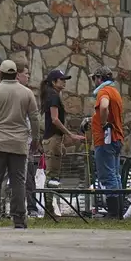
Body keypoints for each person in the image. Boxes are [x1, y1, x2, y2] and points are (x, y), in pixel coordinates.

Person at [0, 60, 40, 229]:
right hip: (19, 143)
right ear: (15, 73)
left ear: (2, 73)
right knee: (19, 181)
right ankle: (19, 219)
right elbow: (34, 118)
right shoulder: (26, 93)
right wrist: (35, 138)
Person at [40, 69, 86, 217]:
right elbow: (55, 119)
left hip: (55, 139)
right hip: (52, 138)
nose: (64, 82)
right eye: (61, 80)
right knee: (52, 175)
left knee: (53, 174)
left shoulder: (53, 95)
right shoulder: (53, 96)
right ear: (54, 82)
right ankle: (49, 209)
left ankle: (50, 207)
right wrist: (70, 134)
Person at [89, 66, 124, 219]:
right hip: (116, 138)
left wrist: (103, 124)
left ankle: (113, 213)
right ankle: (119, 211)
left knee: (107, 176)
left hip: (105, 140)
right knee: (115, 175)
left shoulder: (103, 92)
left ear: (100, 78)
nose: (94, 82)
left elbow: (104, 106)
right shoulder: (115, 92)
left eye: (94, 78)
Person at [15, 60, 39, 218]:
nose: (28, 76)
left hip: (27, 141)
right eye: (25, 73)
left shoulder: (28, 93)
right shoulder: (14, 94)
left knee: (29, 175)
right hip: (18, 141)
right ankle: (16, 209)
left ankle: (31, 206)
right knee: (17, 176)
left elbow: (33, 118)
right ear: (17, 75)